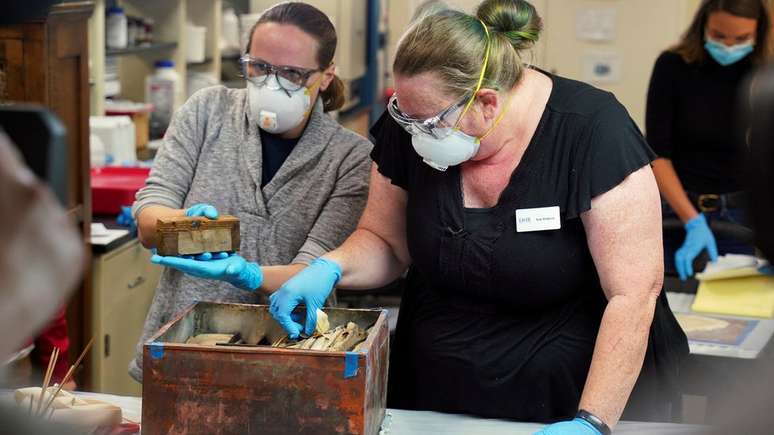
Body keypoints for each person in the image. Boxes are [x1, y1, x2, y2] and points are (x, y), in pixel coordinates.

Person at [163, 0, 689, 432]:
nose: (414, 135)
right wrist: (330, 267)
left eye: (429, 122)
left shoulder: (593, 132)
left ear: (486, 103)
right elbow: (385, 243)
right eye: (403, 116)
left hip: (566, 390)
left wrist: (591, 421)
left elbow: (633, 294)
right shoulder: (413, 125)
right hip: (437, 387)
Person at [130, 2, 372, 381]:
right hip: (186, 345)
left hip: (288, 353)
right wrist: (184, 226)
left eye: (292, 73)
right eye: (259, 68)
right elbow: (149, 216)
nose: (271, 84)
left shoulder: (350, 159)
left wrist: (249, 274)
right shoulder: (207, 112)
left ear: (325, 76)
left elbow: (313, 271)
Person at [646, 0, 771, 281]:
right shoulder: (672, 66)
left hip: (740, 215)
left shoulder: (765, 76)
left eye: (741, 39)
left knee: (732, 309)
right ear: (702, 25)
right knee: (670, 302)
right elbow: (657, 155)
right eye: (718, 35)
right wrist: (691, 220)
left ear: (759, 33)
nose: (728, 46)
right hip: (676, 209)